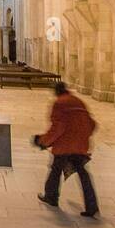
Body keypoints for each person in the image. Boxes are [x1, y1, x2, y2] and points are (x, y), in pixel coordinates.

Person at [33, 81, 100, 217]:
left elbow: (58, 128)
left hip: (65, 145)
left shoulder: (59, 104)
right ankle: (92, 205)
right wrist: (83, 136)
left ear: (57, 92)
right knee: (83, 174)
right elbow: (92, 124)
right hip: (80, 144)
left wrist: (43, 141)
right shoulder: (78, 101)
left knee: (56, 169)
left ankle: (51, 197)